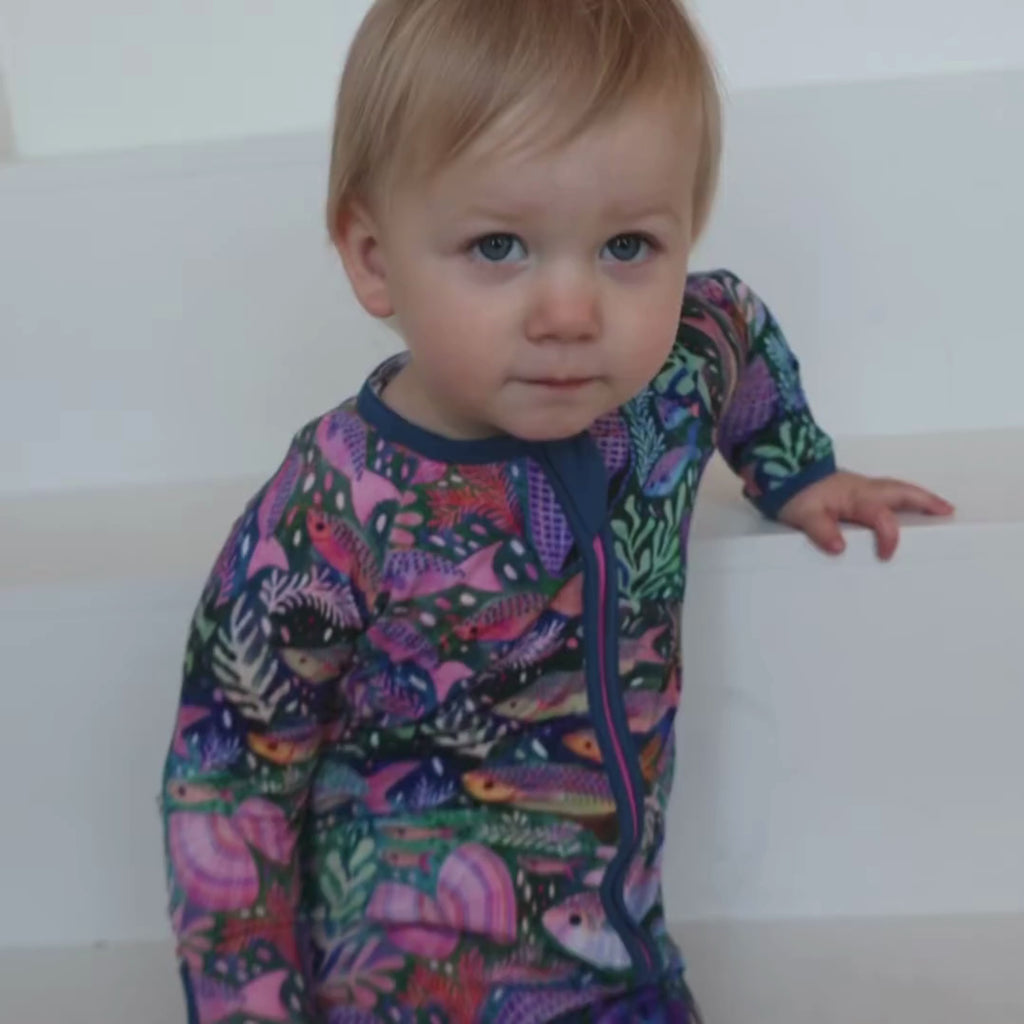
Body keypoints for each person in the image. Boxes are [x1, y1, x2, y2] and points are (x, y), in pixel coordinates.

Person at [160, 1, 954, 1021]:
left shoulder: (672, 380)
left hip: (623, 965)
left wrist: (794, 471)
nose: (572, 314)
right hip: (403, 990)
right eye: (498, 246)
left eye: (628, 245)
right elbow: (228, 784)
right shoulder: (334, 507)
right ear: (373, 256)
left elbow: (737, 327)